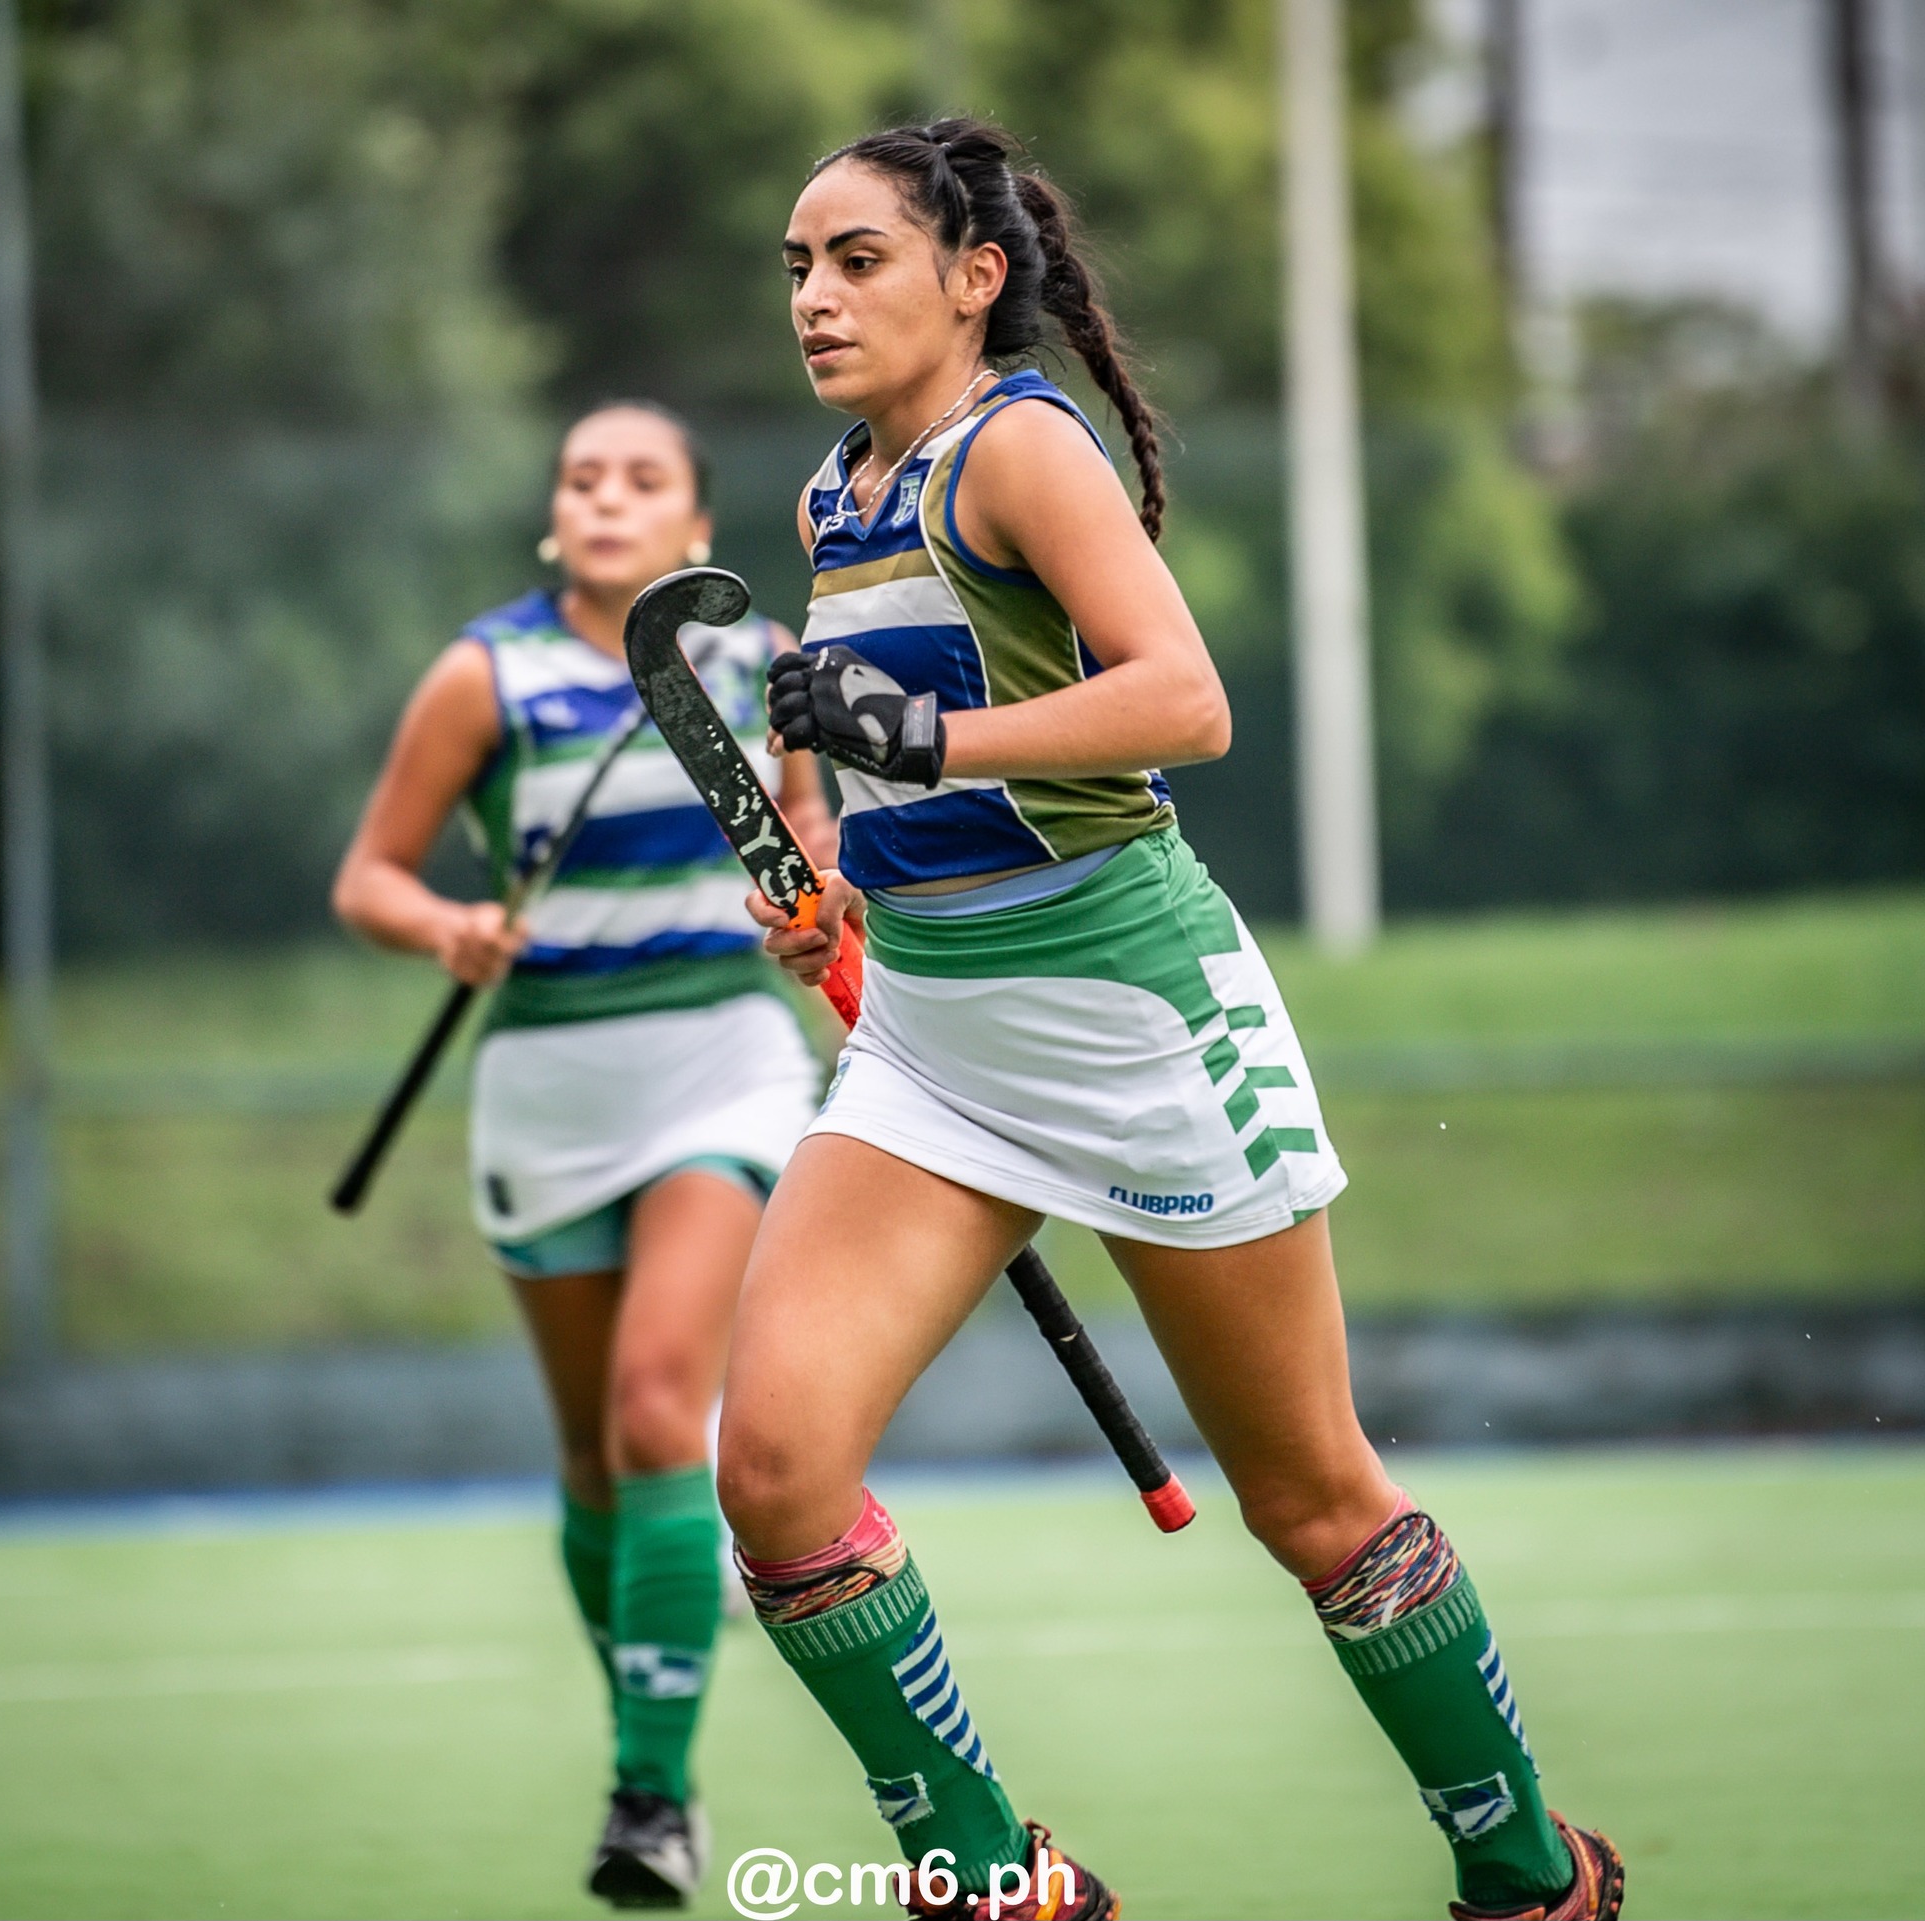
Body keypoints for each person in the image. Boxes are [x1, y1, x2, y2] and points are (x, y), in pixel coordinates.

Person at [717, 122, 1623, 1921]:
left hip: (1138, 1022)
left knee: (1313, 1502)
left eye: (858, 259)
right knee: (776, 1468)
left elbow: (1180, 699)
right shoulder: (838, 493)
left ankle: (1530, 1874)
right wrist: (820, 847)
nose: (815, 297)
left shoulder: (1020, 449)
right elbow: (874, 754)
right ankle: (998, 1881)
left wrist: (924, 745)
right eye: (797, 267)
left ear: (974, 278)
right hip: (929, 1041)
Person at [333, 402, 831, 1910]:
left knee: (655, 1405)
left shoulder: (762, 661)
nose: (608, 497)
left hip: (720, 1062)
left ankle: (648, 1796)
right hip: (545, 1083)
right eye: (582, 479)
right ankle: (652, 1741)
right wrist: (450, 927)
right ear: (557, 519)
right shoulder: (486, 672)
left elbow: (809, 843)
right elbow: (369, 874)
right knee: (592, 1459)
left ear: (694, 530)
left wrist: (816, 910)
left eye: (645, 480)